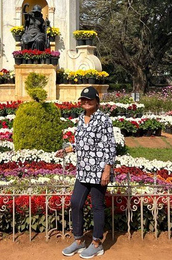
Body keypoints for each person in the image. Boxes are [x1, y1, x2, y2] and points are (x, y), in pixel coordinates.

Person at [58, 86, 116, 258]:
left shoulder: (103, 120)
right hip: (83, 171)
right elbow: (81, 143)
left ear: (97, 101)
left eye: (89, 99)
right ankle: (79, 240)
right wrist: (68, 149)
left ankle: (97, 242)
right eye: (83, 99)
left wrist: (107, 170)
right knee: (76, 203)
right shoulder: (80, 119)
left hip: (99, 171)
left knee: (97, 206)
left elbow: (110, 146)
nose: (86, 102)